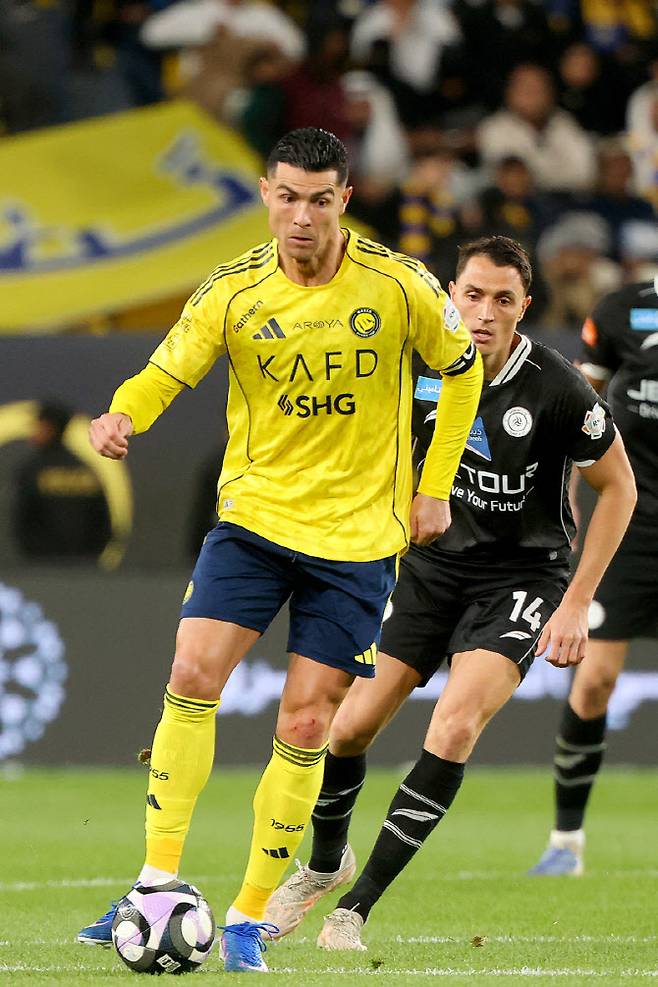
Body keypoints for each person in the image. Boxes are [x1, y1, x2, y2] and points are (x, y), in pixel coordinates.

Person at [77, 127, 483, 972]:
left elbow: (462, 366)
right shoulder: (233, 290)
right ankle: (156, 882)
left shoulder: (400, 284)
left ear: (345, 199)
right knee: (191, 673)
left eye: (320, 199)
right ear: (266, 192)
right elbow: (166, 370)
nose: (301, 216)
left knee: (305, 721)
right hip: (256, 523)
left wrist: (435, 482)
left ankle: (249, 917)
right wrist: (123, 414)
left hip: (360, 541)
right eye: (288, 196)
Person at [264, 235, 637, 950]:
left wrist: (574, 602)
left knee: (455, 726)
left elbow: (619, 486)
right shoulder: (417, 366)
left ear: (525, 307)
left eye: (503, 299)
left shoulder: (558, 386)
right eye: (472, 294)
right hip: (432, 572)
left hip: (523, 579)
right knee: (346, 729)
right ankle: (323, 866)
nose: (485, 311)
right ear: (450, 294)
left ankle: (357, 908)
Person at [530, 277, 658, 876]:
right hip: (634, 525)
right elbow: (584, 411)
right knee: (596, 679)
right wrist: (571, 494)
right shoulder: (619, 311)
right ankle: (566, 841)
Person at [13, 401, 112, 562]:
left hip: (42, 567)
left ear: (50, 428)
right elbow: (103, 524)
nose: (33, 432)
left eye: (38, 425)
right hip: (85, 566)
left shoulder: (32, 470)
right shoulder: (86, 470)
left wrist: (34, 555)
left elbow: (23, 520)